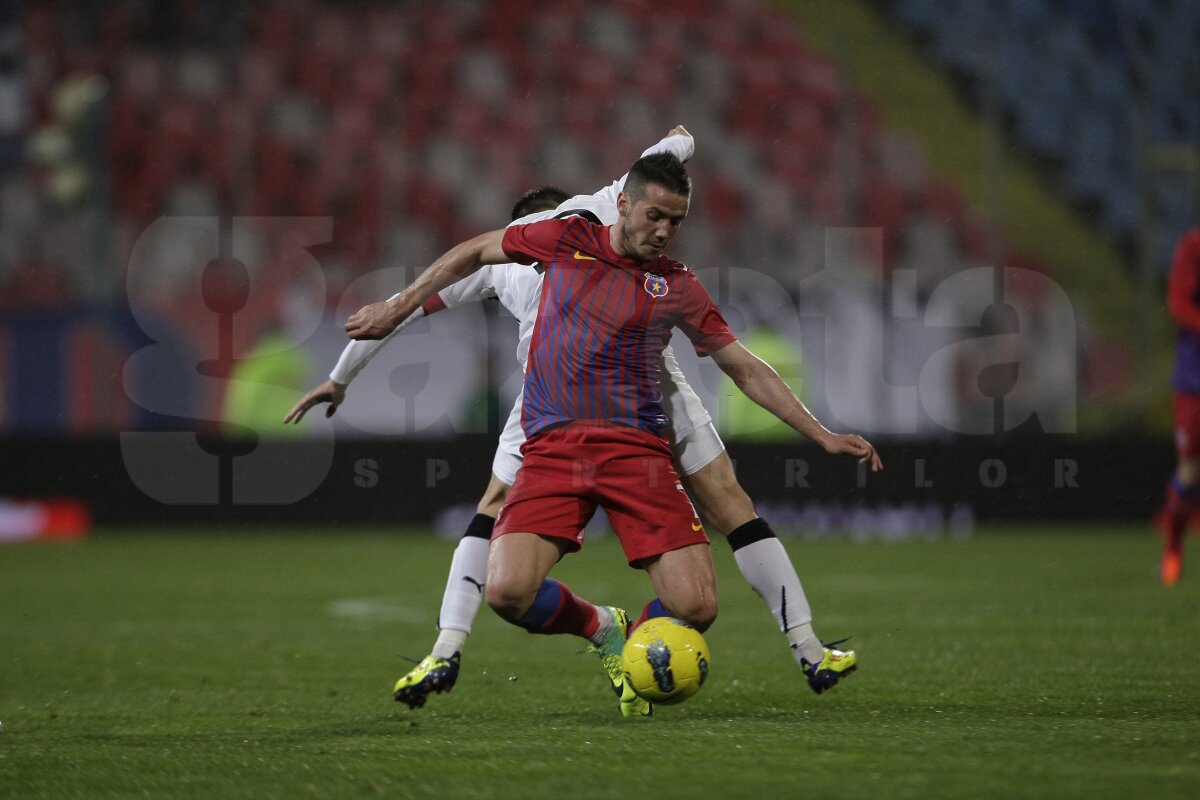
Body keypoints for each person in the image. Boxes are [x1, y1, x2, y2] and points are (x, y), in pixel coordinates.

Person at [341, 151, 882, 717]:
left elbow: (742, 366)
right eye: (655, 216)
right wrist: (397, 305)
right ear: (622, 205)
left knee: (696, 607)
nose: (665, 231)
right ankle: (603, 627)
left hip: (638, 454)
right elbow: (474, 251)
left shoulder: (676, 285)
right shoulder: (565, 238)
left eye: (677, 221)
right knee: (506, 592)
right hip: (554, 449)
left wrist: (820, 434)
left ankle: (655, 645)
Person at [1160, 227, 1200, 585]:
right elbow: (1178, 302)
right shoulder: (1192, 246)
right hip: (1195, 377)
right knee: (1190, 470)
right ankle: (1173, 547)